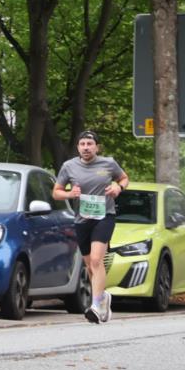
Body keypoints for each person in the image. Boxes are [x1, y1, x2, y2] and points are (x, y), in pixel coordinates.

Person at [53, 130, 129, 323]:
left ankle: (95, 304)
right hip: (82, 219)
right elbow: (56, 193)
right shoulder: (68, 166)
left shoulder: (108, 163)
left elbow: (124, 178)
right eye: (82, 144)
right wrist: (70, 194)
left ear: (97, 147)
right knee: (89, 265)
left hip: (105, 216)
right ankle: (103, 297)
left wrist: (118, 188)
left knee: (96, 260)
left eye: (89, 144)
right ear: (78, 147)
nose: (86, 147)